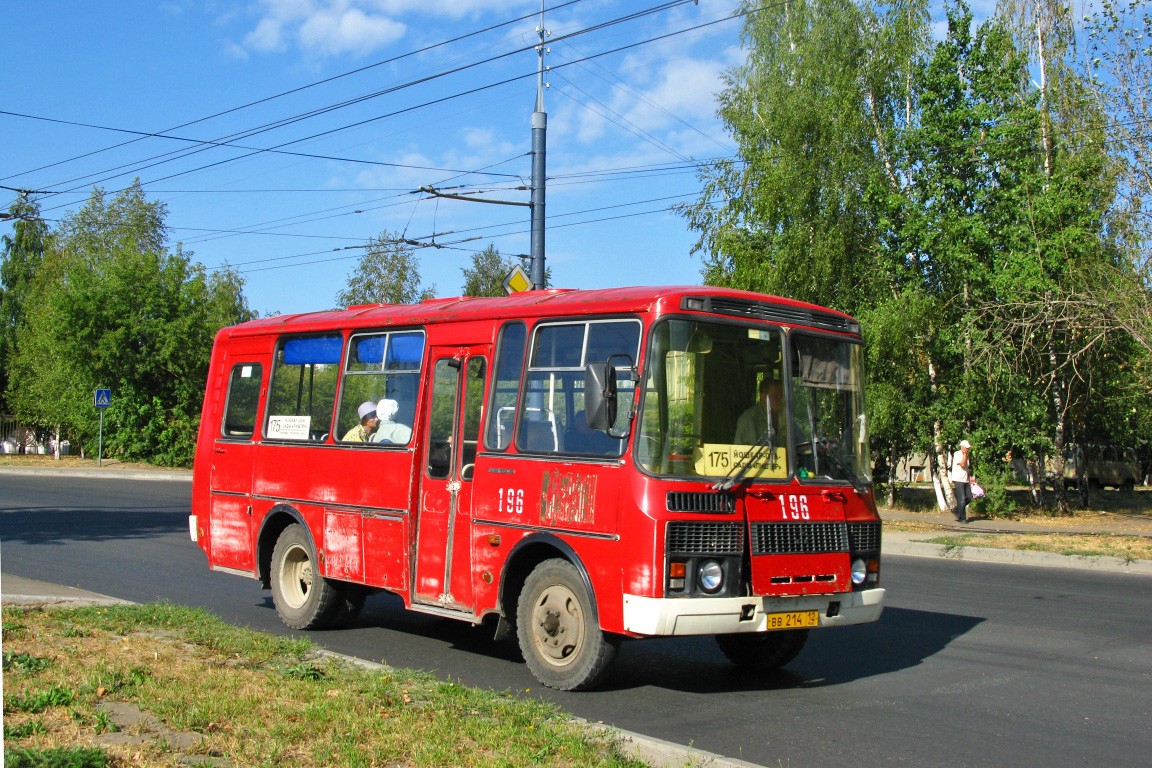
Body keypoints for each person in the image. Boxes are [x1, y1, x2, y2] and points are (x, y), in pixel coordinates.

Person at [735, 378, 784, 446]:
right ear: (763, 397)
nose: (781, 399)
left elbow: (800, 442)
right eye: (776, 396)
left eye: (782, 395)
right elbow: (739, 452)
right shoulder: (748, 419)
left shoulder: (786, 417)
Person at [951, 439, 974, 522]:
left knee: (969, 497)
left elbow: (966, 467)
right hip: (958, 479)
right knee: (962, 499)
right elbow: (963, 464)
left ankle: (957, 509)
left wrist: (970, 477)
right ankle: (962, 518)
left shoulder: (967, 456)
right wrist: (964, 454)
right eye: (966, 448)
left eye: (968, 448)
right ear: (962, 447)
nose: (968, 449)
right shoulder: (957, 454)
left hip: (965, 479)